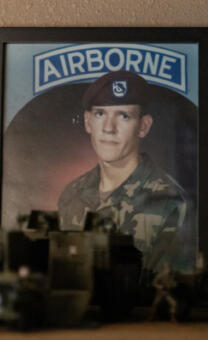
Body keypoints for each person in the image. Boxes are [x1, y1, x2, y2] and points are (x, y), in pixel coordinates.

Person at [57, 70, 195, 272]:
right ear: (88, 122)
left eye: (124, 116)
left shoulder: (171, 203)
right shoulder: (71, 196)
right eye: (100, 114)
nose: (108, 128)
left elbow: (170, 293)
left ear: (143, 126)